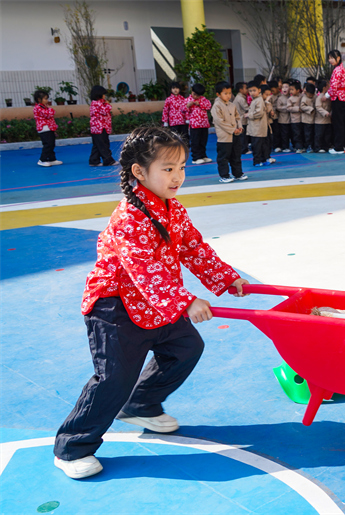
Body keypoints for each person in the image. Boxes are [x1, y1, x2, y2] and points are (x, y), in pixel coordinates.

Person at [52, 126, 250, 480]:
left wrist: (226, 277)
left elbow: (194, 248)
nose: (178, 177)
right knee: (114, 378)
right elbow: (144, 270)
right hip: (114, 307)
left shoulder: (172, 209)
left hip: (157, 303)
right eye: (168, 168)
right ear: (139, 172)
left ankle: (141, 404)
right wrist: (185, 301)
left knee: (186, 347)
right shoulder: (130, 217)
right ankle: (73, 446)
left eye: (182, 167)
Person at [211, 81, 246, 183]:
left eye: (230, 93)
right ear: (218, 94)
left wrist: (239, 127)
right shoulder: (217, 106)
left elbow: (237, 117)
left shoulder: (232, 105)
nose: (228, 96)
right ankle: (224, 175)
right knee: (224, 157)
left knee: (236, 155)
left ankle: (238, 174)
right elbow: (219, 121)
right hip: (224, 137)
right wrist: (232, 129)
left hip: (235, 134)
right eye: (225, 93)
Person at [327, 49, 345, 155]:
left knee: (338, 123)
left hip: (338, 98)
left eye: (332, 58)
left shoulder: (337, 70)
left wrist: (327, 95)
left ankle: (339, 147)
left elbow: (334, 85)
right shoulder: (342, 69)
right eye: (329, 58)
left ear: (338, 58)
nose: (330, 60)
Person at [89, 86, 116, 167]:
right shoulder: (96, 103)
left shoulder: (100, 103)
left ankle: (94, 160)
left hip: (102, 127)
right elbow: (104, 111)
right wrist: (108, 105)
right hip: (99, 128)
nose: (104, 96)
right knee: (103, 144)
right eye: (103, 94)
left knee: (98, 144)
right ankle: (108, 160)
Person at [33, 89, 62, 167]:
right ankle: (42, 159)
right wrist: (50, 110)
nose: (47, 100)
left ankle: (52, 159)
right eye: (45, 99)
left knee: (52, 144)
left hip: (49, 128)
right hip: (44, 128)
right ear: (39, 100)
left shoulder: (44, 107)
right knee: (48, 144)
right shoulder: (38, 108)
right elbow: (48, 114)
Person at [186, 83, 213, 164]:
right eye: (194, 94)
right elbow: (182, 110)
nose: (195, 97)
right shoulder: (187, 100)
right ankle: (196, 157)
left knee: (203, 141)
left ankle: (203, 155)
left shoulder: (203, 99)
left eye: (198, 95)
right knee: (195, 141)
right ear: (192, 91)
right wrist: (188, 106)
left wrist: (200, 104)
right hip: (194, 125)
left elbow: (209, 106)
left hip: (204, 124)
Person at [247, 82, 271, 166]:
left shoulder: (258, 100)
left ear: (259, 90)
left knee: (256, 145)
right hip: (259, 127)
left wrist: (249, 115)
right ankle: (263, 159)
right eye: (250, 91)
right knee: (262, 145)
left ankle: (257, 161)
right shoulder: (257, 100)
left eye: (254, 90)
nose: (252, 92)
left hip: (257, 128)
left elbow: (259, 113)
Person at [313, 79, 332, 153]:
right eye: (328, 86)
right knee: (319, 135)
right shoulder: (319, 97)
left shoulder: (328, 97)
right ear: (324, 87)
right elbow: (318, 107)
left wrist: (330, 112)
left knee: (327, 134)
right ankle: (318, 147)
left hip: (327, 120)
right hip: (320, 121)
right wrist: (325, 113)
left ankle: (326, 146)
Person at [233, 82, 252, 155]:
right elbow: (246, 108)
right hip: (241, 119)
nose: (247, 90)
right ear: (241, 90)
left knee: (243, 135)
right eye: (246, 88)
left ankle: (244, 148)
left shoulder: (241, 97)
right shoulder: (240, 98)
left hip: (241, 119)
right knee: (243, 136)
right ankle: (244, 149)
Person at [287, 80, 304, 153]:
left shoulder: (302, 96)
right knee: (296, 134)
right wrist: (297, 109)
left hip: (302, 119)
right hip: (295, 120)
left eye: (292, 89)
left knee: (302, 133)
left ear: (298, 90)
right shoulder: (290, 99)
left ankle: (303, 146)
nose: (290, 91)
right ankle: (298, 147)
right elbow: (288, 108)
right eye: (290, 89)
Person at [274, 82, 291, 152]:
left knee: (289, 133)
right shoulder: (280, 98)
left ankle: (288, 146)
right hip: (283, 119)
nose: (284, 88)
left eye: (286, 87)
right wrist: (287, 107)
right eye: (283, 87)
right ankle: (284, 147)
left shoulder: (291, 97)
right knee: (284, 134)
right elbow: (278, 107)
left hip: (291, 119)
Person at [300, 83, 316, 153]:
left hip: (313, 119)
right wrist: (310, 109)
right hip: (306, 119)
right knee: (307, 134)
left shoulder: (315, 97)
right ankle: (308, 146)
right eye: (309, 94)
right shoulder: (304, 98)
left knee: (312, 133)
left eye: (312, 94)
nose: (311, 96)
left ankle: (312, 145)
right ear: (306, 92)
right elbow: (302, 107)